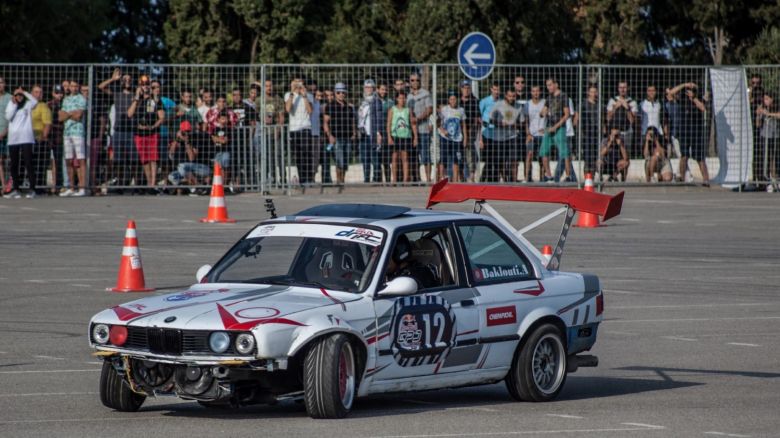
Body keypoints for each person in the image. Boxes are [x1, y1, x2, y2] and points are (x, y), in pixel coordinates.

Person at [98, 69, 138, 192]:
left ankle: (136, 185)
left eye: (129, 79)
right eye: (124, 79)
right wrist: (112, 79)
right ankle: (120, 183)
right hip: (118, 130)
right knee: (118, 160)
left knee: (133, 160)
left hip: (130, 130)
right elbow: (101, 87)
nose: (127, 81)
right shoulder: (116, 92)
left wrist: (138, 94)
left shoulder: (134, 94)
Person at [127, 75, 165, 192]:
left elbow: (162, 117)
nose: (146, 87)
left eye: (147, 85)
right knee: (144, 159)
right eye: (143, 85)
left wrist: (152, 126)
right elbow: (129, 114)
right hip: (139, 133)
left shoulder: (155, 100)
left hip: (152, 133)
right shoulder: (136, 99)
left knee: (153, 158)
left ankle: (152, 184)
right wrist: (137, 97)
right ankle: (148, 182)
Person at [672, 82, 710, 186]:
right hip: (684, 131)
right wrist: (684, 85)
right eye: (689, 90)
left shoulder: (699, 99)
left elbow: (702, 108)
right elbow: (671, 93)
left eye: (692, 91)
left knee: (700, 157)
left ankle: (706, 180)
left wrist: (694, 98)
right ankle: (683, 180)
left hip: (696, 131)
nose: (690, 92)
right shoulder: (683, 99)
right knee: (684, 156)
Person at [3, 87, 37, 199]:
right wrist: (14, 105)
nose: (19, 97)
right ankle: (15, 189)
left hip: (26, 138)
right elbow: (8, 116)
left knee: (28, 163)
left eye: (20, 95)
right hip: (13, 139)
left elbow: (35, 101)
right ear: (14, 96)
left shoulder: (28, 104)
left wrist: (25, 92)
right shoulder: (10, 104)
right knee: (14, 164)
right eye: (17, 95)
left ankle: (32, 189)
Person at [59, 80, 88, 197]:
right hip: (67, 132)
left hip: (78, 132)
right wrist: (72, 114)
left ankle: (82, 187)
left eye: (76, 86)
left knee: (81, 159)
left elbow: (79, 115)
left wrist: (68, 114)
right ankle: (71, 187)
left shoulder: (82, 99)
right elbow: (60, 117)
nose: (74, 88)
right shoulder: (65, 100)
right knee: (68, 160)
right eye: (72, 86)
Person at [539, 77, 572, 182]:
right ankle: (548, 175)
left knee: (564, 152)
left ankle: (568, 176)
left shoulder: (563, 96)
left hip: (559, 127)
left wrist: (556, 127)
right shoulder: (549, 98)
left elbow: (566, 115)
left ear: (556, 84)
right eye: (547, 85)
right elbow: (543, 111)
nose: (548, 87)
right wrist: (542, 113)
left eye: (550, 85)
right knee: (544, 151)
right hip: (549, 127)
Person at [323, 82, 355, 186]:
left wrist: (354, 133)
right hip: (336, 137)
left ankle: (343, 180)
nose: (341, 94)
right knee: (339, 160)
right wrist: (330, 135)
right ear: (335, 93)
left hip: (348, 137)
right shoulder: (330, 106)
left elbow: (352, 121)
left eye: (343, 92)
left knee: (346, 160)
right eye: (338, 92)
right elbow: (325, 122)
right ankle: (339, 181)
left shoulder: (349, 107)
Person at [486, 89, 521, 182]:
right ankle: (504, 180)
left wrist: (514, 125)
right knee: (500, 162)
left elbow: (522, 123)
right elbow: (490, 120)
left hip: (512, 137)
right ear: (506, 95)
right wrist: (500, 123)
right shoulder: (498, 105)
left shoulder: (518, 106)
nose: (511, 98)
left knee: (513, 161)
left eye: (513, 96)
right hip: (499, 138)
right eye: (509, 96)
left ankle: (514, 182)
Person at [284, 77, 314, 186]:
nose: (298, 84)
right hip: (294, 129)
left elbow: (310, 111)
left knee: (307, 155)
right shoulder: (288, 95)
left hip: (306, 127)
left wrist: (304, 95)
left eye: (299, 82)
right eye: (295, 82)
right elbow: (287, 109)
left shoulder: (308, 95)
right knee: (298, 155)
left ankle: (308, 179)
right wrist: (293, 93)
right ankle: (302, 179)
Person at [357, 79, 384, 183]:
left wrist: (378, 133)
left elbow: (379, 118)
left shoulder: (377, 101)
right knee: (365, 158)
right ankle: (366, 179)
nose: (368, 89)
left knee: (375, 158)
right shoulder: (361, 101)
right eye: (366, 87)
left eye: (370, 87)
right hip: (363, 134)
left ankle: (376, 179)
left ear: (373, 89)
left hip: (373, 134)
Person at [387, 91, 417, 184]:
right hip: (395, 136)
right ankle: (394, 180)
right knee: (394, 158)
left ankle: (405, 180)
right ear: (396, 99)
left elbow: (413, 124)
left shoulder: (408, 110)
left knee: (405, 158)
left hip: (406, 136)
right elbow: (388, 124)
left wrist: (415, 137)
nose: (402, 100)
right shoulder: (392, 110)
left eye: (404, 98)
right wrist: (389, 137)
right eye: (400, 98)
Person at [407, 73, 433, 183]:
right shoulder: (408, 96)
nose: (415, 82)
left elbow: (429, 109)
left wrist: (418, 119)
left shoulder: (426, 93)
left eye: (417, 80)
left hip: (424, 130)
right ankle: (416, 179)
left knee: (426, 156)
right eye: (412, 80)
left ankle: (427, 180)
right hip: (411, 131)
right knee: (413, 156)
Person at [437, 90, 467, 182]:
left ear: (457, 100)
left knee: (456, 160)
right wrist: (442, 130)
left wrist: (465, 138)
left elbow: (463, 125)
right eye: (451, 99)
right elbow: (436, 121)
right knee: (443, 159)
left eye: (454, 99)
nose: (453, 101)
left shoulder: (461, 110)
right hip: (445, 138)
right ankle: (442, 178)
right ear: (448, 100)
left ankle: (455, 180)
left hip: (457, 139)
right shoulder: (444, 109)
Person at [756, 91, 780, 192]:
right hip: (765, 136)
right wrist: (758, 114)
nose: (765, 101)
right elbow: (757, 124)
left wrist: (769, 114)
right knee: (766, 159)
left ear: (772, 99)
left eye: (767, 99)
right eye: (764, 99)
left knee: (776, 158)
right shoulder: (762, 108)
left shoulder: (776, 107)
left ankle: (777, 179)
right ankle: (767, 181)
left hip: (775, 136)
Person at [606, 81, 638, 157]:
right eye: (621, 87)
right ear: (618, 89)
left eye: (624, 87)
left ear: (628, 88)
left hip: (627, 133)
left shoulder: (632, 102)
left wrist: (627, 108)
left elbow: (632, 121)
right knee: (613, 155)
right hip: (614, 133)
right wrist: (615, 108)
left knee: (625, 157)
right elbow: (608, 118)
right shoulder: (612, 101)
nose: (622, 90)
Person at [30, 84, 52, 192]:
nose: (38, 95)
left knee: (39, 164)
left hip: (39, 138)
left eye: (40, 92)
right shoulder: (27, 105)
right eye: (36, 92)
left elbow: (47, 123)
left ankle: (38, 186)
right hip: (26, 138)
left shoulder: (43, 106)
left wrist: (43, 137)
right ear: (31, 94)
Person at [479, 82, 501, 182]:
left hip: (497, 134)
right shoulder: (485, 101)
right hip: (486, 133)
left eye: (498, 90)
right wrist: (480, 139)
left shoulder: (501, 102)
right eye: (495, 89)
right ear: (491, 89)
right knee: (488, 159)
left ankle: (495, 181)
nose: (496, 92)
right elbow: (479, 119)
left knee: (496, 159)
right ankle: (483, 180)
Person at [459, 80, 480, 182]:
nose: (466, 90)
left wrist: (473, 127)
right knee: (460, 154)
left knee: (470, 154)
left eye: (468, 88)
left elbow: (477, 117)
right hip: (458, 132)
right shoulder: (457, 101)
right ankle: (461, 175)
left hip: (471, 131)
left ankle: (471, 175)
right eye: (464, 88)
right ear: (460, 89)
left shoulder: (475, 101)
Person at [525, 85, 546, 182]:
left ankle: (542, 179)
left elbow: (550, 118)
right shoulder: (527, 104)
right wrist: (528, 134)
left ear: (540, 92)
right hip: (532, 135)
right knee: (529, 155)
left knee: (542, 158)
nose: (536, 93)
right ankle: (527, 178)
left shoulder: (544, 102)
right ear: (531, 92)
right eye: (533, 91)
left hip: (542, 134)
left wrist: (546, 129)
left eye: (537, 91)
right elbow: (526, 121)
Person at [580, 85, 602, 175]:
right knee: (587, 159)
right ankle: (587, 180)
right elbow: (578, 119)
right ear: (588, 93)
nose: (593, 94)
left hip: (597, 134)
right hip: (586, 134)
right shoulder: (583, 105)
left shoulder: (599, 105)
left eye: (595, 92)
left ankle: (592, 178)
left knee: (595, 159)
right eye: (591, 92)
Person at [376, 82, 394, 183]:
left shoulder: (390, 102)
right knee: (378, 159)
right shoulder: (374, 101)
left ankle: (387, 180)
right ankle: (378, 180)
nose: (384, 91)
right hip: (377, 132)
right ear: (377, 90)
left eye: (385, 89)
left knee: (386, 159)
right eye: (382, 89)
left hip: (387, 132)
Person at [0, 77, 10, 193]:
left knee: (7, 160)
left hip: (7, 133)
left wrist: (5, 132)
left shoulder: (9, 98)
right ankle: (3, 185)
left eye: (1, 82)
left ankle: (8, 185)